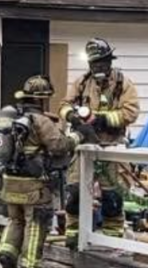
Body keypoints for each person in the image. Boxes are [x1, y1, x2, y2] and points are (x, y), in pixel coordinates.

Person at [0, 75, 82, 268]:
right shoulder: (41, 120)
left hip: (10, 179)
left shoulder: (11, 117)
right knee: (37, 221)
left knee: (16, 220)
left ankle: (7, 252)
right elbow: (59, 146)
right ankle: (31, 263)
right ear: (41, 99)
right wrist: (77, 136)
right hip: (33, 183)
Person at [60, 38, 140, 246]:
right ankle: (74, 235)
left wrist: (102, 119)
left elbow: (131, 113)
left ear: (109, 61)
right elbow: (64, 105)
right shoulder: (82, 83)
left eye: (102, 62)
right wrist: (72, 117)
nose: (99, 67)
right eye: (94, 64)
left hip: (112, 147)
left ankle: (111, 239)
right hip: (84, 147)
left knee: (112, 196)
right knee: (76, 192)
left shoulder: (123, 83)